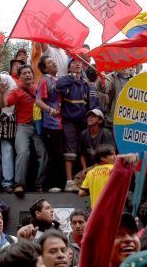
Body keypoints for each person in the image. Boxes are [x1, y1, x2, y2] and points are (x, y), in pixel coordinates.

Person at [0, 65, 47, 194]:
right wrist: (1, 93)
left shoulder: (38, 88)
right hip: (23, 126)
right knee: (23, 153)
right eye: (24, 73)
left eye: (29, 72)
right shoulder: (16, 91)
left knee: (43, 154)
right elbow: (3, 104)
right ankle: (19, 184)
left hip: (38, 126)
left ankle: (39, 185)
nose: (28, 75)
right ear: (19, 77)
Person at [56, 59, 88, 192]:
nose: (77, 64)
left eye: (79, 63)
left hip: (83, 121)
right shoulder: (66, 80)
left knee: (82, 150)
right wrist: (72, 77)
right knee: (70, 150)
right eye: (74, 63)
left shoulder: (85, 83)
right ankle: (69, 182)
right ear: (69, 67)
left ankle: (83, 180)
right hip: (69, 120)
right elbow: (59, 86)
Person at [0, 54, 19, 191]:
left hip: (23, 120)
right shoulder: (7, 78)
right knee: (7, 151)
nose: (18, 66)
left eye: (21, 64)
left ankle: (19, 182)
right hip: (8, 119)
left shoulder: (26, 81)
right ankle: (7, 183)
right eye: (15, 64)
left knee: (20, 152)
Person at [35, 54, 64, 192]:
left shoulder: (58, 80)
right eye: (50, 62)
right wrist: (50, 110)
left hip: (62, 122)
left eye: (53, 61)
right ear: (45, 68)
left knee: (61, 154)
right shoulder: (44, 80)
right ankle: (51, 185)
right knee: (53, 155)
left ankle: (61, 184)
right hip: (51, 123)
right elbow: (38, 100)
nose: (54, 63)